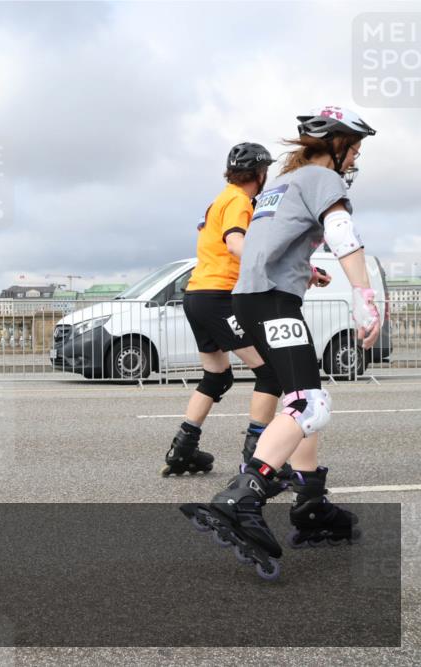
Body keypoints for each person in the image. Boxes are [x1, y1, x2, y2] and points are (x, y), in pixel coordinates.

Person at [206, 106, 379, 567]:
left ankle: (311, 501)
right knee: (309, 404)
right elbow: (341, 232)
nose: (355, 159)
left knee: (298, 395)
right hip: (273, 302)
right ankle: (243, 497)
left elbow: (263, 247)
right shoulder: (322, 178)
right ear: (336, 146)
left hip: (253, 299)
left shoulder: (280, 186)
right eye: (354, 149)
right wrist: (363, 296)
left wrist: (305, 272)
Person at [162, 143, 294, 478]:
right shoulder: (238, 200)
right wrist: (276, 266)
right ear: (260, 174)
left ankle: (182, 451)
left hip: (196, 295)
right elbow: (235, 243)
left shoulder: (219, 200)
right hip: (218, 296)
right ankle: (258, 456)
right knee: (270, 372)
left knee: (217, 376)